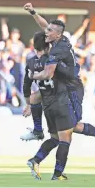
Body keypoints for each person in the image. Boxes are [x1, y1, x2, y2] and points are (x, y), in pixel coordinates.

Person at [22, 3, 95, 156]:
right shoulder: (58, 40)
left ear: (57, 34)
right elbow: (45, 25)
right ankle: (38, 130)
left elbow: (47, 73)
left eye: (50, 31)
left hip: (73, 88)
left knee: (73, 126)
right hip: (62, 86)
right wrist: (33, 12)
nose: (46, 32)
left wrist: (34, 76)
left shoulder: (60, 47)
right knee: (34, 98)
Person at [24, 30, 77, 180]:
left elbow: (26, 85)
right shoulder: (53, 60)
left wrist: (29, 103)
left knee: (55, 138)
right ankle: (57, 174)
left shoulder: (30, 62)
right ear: (48, 46)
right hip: (60, 103)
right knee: (65, 140)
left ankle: (35, 160)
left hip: (47, 106)